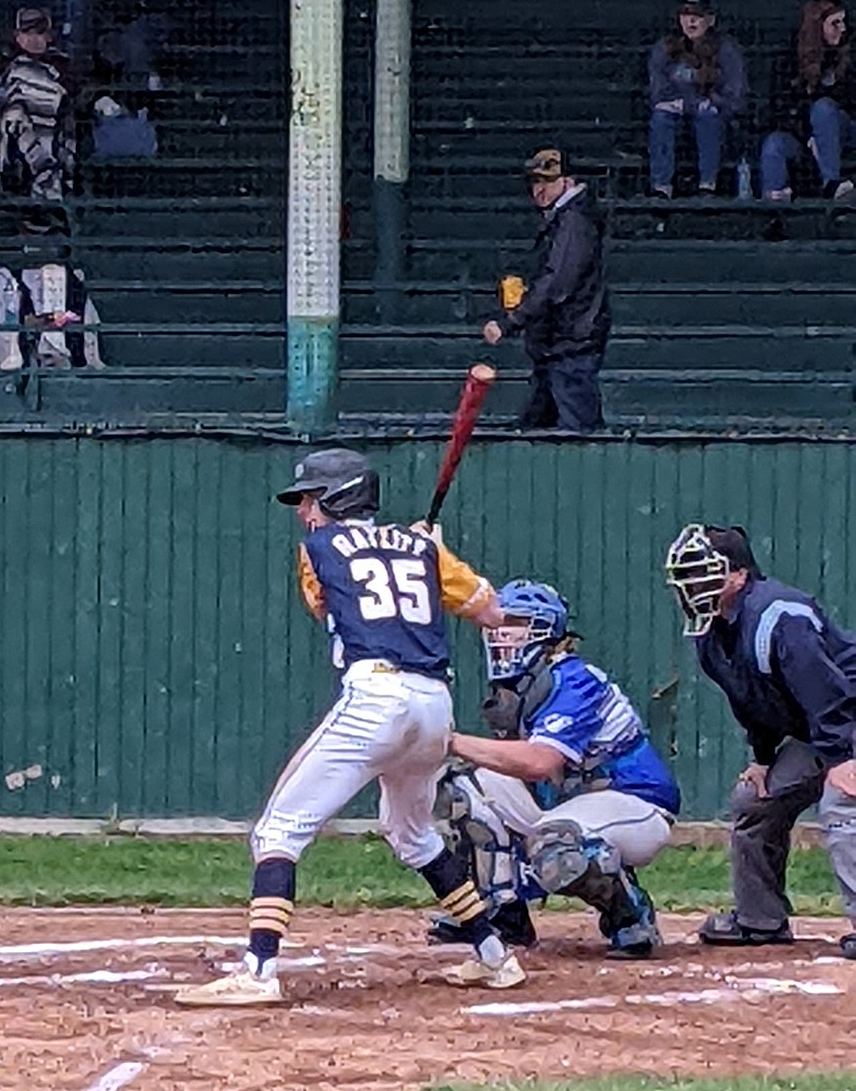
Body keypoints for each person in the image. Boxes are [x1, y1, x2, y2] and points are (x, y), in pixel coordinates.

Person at [173, 449, 526, 1008]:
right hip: (435, 706)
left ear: (338, 499)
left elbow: (326, 607)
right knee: (412, 834)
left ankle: (258, 969)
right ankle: (493, 956)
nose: (304, 513)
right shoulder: (422, 549)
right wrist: (431, 553)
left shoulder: (317, 551)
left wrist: (401, 553)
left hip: (377, 696)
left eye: (311, 500)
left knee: (278, 832)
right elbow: (490, 610)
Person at [431, 580, 679, 958]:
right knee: (460, 789)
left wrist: (451, 741)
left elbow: (539, 762)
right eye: (499, 622)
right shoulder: (517, 686)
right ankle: (503, 913)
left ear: (545, 632)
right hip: (574, 804)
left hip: (636, 803)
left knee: (556, 844)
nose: (501, 632)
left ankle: (630, 917)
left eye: (515, 623)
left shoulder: (575, 680)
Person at [664, 523, 856, 956]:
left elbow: (825, 688)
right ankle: (760, 919)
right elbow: (751, 699)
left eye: (702, 572)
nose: (691, 585)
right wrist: (764, 758)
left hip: (845, 715)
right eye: (687, 575)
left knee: (843, 802)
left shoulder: (780, 615)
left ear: (738, 575)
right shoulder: (711, 629)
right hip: (824, 728)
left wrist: (842, 757)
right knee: (754, 800)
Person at [482, 148, 609, 435]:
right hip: (560, 345)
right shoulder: (570, 217)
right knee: (541, 430)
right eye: (535, 182)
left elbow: (557, 283)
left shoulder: (574, 222)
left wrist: (511, 322)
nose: (539, 190)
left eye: (547, 182)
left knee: (577, 437)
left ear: (567, 181)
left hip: (569, 344)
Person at [0, 7, 80, 200]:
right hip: (9, 133)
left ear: (48, 37)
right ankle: (42, 172)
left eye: (39, 33)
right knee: (11, 108)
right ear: (17, 36)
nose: (33, 39)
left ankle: (43, 172)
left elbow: (73, 94)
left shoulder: (60, 63)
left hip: (48, 128)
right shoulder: (2, 62)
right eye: (27, 33)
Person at [647, 0, 748, 198]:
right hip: (676, 113)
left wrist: (714, 102)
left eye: (697, 16)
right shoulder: (665, 48)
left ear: (710, 19)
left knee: (707, 116)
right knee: (660, 118)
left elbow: (735, 95)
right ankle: (661, 186)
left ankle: (708, 184)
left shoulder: (726, 50)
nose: (691, 22)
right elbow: (658, 89)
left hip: (715, 117)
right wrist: (679, 103)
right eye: (686, 15)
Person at [760, 0, 855, 202]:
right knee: (773, 145)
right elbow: (780, 109)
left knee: (823, 108)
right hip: (803, 136)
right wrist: (807, 135)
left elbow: (850, 102)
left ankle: (832, 182)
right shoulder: (789, 61)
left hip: (843, 131)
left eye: (844, 22)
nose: (843, 28)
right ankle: (774, 212)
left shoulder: (849, 57)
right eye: (835, 23)